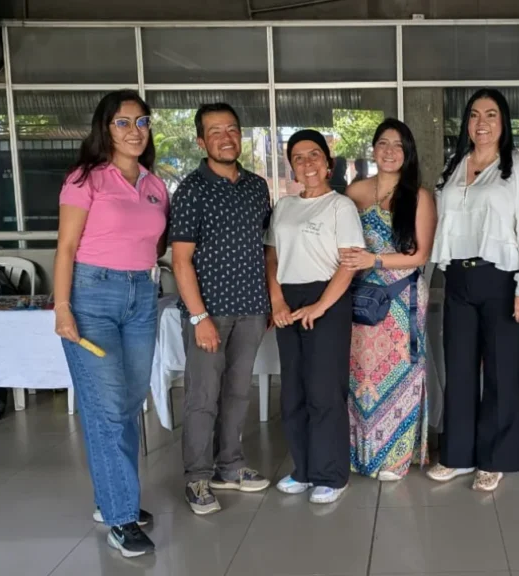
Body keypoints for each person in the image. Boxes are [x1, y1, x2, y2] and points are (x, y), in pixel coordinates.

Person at [53, 90, 167, 558]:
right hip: (92, 297)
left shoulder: (155, 184)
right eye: (123, 123)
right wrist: (62, 307)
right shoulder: (86, 179)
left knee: (129, 403)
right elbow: (65, 247)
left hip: (142, 296)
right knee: (106, 409)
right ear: (105, 128)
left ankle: (112, 500)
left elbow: (154, 243)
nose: (134, 131)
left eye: (141, 122)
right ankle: (121, 516)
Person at [428, 88, 519, 492]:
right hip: (458, 278)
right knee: (459, 368)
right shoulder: (455, 165)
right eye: (475, 115)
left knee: (504, 371)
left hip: (502, 278)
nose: (482, 123)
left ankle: (496, 457)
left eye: (491, 114)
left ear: (504, 122)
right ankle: (458, 454)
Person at [169, 103, 273, 515]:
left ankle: (229, 466)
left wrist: (267, 303)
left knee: (237, 392)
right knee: (203, 396)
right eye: (215, 131)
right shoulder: (191, 190)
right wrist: (199, 318)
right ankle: (197, 476)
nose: (226, 138)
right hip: (209, 313)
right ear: (201, 141)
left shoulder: (257, 187)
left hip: (251, 308)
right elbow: (180, 261)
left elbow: (264, 248)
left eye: (231, 129)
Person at [267, 129, 366, 504]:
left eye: (313, 155)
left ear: (328, 163)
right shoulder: (284, 207)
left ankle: (331, 474)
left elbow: (349, 262)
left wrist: (320, 306)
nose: (306, 163)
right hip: (288, 299)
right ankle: (304, 469)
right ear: (292, 168)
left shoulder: (340, 206)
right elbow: (272, 256)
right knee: (294, 389)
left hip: (328, 298)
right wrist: (277, 300)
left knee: (324, 390)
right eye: (298, 158)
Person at [340, 119, 436, 482]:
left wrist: (374, 260)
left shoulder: (419, 197)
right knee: (360, 374)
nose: (390, 151)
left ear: (407, 152)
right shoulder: (355, 192)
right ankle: (360, 454)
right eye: (383, 143)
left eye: (398, 145)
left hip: (401, 297)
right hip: (360, 295)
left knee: (401, 373)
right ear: (374, 149)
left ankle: (394, 458)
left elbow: (420, 255)